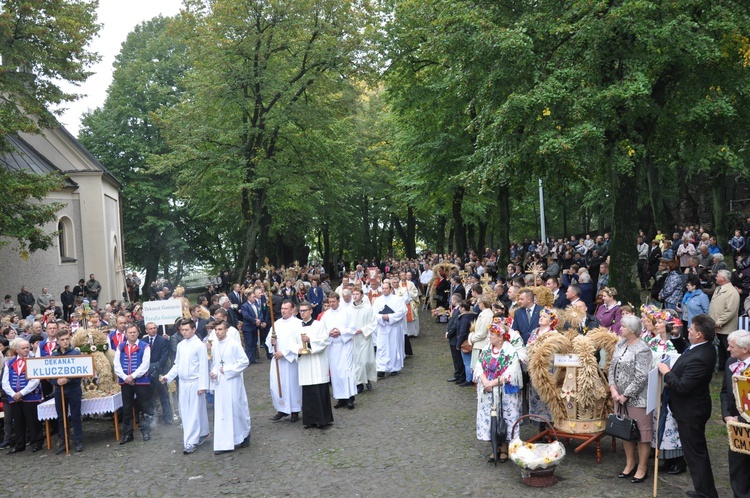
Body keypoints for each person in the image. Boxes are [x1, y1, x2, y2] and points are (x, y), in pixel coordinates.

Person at [657, 314, 718, 498]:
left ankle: (706, 493)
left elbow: (683, 386)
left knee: (696, 454)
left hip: (692, 411)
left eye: (691, 328)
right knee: (694, 453)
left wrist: (667, 373)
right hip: (688, 409)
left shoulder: (702, 356)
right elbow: (685, 355)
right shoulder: (697, 347)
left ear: (699, 334)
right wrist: (675, 336)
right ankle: (702, 489)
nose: (688, 329)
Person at [609, 315, 653, 483]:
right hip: (618, 397)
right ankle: (630, 463)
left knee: (641, 434)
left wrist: (626, 395)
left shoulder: (643, 349)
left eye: (623, 327)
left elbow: (641, 377)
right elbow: (612, 367)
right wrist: (613, 389)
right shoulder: (620, 344)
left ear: (633, 330)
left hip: (637, 399)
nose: (620, 329)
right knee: (624, 430)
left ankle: (642, 467)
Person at [475, 316, 524, 463]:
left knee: (505, 417)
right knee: (491, 418)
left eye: (492, 335)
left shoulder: (510, 351)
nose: (489, 337)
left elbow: (512, 372)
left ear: (500, 337)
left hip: (503, 391)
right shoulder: (486, 350)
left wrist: (493, 382)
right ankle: (494, 446)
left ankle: (505, 446)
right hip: (488, 390)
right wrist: (485, 382)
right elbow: (479, 366)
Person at [161, 319, 210, 455]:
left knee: (192, 412)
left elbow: (203, 367)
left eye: (187, 330)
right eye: (182, 330)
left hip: (195, 382)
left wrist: (202, 386)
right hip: (183, 382)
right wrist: (168, 376)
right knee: (187, 411)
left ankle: (190, 441)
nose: (184, 332)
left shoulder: (199, 345)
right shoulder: (181, 345)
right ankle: (204, 431)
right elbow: (177, 364)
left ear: (194, 330)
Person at [208, 320, 251, 454]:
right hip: (221, 384)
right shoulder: (215, 346)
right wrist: (214, 373)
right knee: (222, 412)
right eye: (216, 330)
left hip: (233, 382)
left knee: (236, 409)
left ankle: (244, 434)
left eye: (220, 329)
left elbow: (244, 362)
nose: (218, 332)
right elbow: (215, 363)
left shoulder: (233, 345)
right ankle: (224, 443)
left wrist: (227, 370)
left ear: (226, 330)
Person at [720, 329, 750, 498]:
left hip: (747, 421)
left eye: (732, 347)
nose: (728, 349)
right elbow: (724, 392)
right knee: (737, 467)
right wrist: (726, 415)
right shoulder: (731, 362)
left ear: (745, 349)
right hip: (735, 425)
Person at [114, 323, 154, 443]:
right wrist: (125, 377)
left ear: (138, 333)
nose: (132, 334)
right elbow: (116, 365)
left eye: (134, 332)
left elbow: (145, 365)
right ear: (126, 334)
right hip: (125, 381)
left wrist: (132, 376)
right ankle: (128, 434)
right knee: (126, 408)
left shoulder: (145, 346)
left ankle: (146, 431)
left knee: (144, 406)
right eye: (130, 332)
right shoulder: (120, 347)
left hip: (141, 381)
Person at [296, 302, 334, 429]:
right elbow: (292, 343)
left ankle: (322, 419)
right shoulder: (297, 327)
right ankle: (310, 420)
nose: (302, 313)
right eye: (300, 311)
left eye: (305, 310)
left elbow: (325, 341)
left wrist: (310, 342)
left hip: (317, 362)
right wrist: (298, 350)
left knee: (319, 390)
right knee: (308, 392)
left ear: (311, 311)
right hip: (305, 363)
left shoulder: (319, 325)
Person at [1, 339, 43, 453]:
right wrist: (13, 394)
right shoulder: (9, 363)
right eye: (23, 348)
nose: (26, 350)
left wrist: (21, 393)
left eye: (27, 348)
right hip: (14, 397)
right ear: (17, 350)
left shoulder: (33, 361)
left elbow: (35, 381)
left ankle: (36, 442)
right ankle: (20, 444)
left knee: (33, 421)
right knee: (18, 422)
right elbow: (5, 382)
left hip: (31, 397)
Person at [266, 300, 303, 421]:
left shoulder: (298, 324)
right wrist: (272, 342)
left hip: (290, 361)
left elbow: (298, 343)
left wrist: (284, 353)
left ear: (292, 310)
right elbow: (268, 341)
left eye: (286, 308)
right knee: (278, 384)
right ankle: (281, 409)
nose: (283, 311)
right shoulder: (276, 323)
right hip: (278, 360)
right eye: (282, 308)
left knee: (292, 385)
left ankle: (294, 411)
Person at [320, 293, 357, 409]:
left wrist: (340, 331)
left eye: (333, 302)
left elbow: (353, 328)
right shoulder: (326, 315)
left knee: (347, 371)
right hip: (332, 346)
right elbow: (321, 330)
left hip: (344, 345)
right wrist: (329, 333)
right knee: (335, 373)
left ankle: (350, 398)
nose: (331, 304)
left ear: (338, 301)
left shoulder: (347, 312)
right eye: (329, 302)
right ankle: (340, 398)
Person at [52, 330, 84, 453]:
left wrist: (68, 379)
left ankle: (78, 440)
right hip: (59, 391)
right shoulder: (54, 355)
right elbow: (49, 374)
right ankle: (64, 441)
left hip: (73, 389)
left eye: (67, 339)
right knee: (61, 417)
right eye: (62, 340)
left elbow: (81, 371)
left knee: (75, 416)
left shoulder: (76, 353)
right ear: (58, 341)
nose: (65, 342)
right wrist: (56, 382)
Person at [372, 281, 407, 377]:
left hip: (394, 328)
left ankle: (394, 367)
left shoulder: (397, 300)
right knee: (382, 347)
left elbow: (402, 311)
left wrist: (390, 317)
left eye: (386, 288)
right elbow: (374, 314)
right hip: (383, 327)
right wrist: (381, 317)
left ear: (390, 289)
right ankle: (381, 368)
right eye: (383, 288)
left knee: (393, 347)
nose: (384, 290)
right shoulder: (378, 300)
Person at [709, 269, 740, 371]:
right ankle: (722, 369)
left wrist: (718, 323)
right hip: (716, 327)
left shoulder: (732, 292)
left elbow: (730, 311)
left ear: (723, 278)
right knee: (720, 350)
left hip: (726, 329)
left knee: (728, 350)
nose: (715, 277)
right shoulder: (718, 289)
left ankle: (732, 369)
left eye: (717, 276)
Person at [143, 321, 172, 425]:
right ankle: (151, 417)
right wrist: (147, 368)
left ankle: (167, 417)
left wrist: (156, 367)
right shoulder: (143, 341)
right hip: (146, 373)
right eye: (150, 328)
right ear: (146, 330)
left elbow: (164, 356)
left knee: (164, 395)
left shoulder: (162, 340)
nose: (153, 330)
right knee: (149, 396)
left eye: (154, 328)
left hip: (159, 372)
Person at [349, 288, 377, 392]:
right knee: (356, 361)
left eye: (357, 294)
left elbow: (373, 323)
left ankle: (367, 379)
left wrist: (363, 330)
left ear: (361, 296)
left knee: (364, 361)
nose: (355, 296)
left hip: (365, 337)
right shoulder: (349, 309)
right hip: (354, 338)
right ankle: (359, 383)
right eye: (354, 294)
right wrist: (351, 331)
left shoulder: (368, 309)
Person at [241, 287, 268, 364]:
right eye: (253, 297)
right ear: (249, 298)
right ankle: (248, 360)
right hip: (248, 327)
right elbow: (246, 316)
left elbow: (260, 313)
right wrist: (254, 320)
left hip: (255, 327)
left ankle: (253, 358)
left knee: (254, 343)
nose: (255, 298)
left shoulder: (256, 304)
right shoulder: (244, 306)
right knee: (249, 344)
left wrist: (259, 319)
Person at [445, 293, 465, 384]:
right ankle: (458, 374)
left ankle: (459, 375)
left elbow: (455, 324)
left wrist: (449, 333)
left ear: (455, 301)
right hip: (452, 336)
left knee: (457, 358)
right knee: (455, 358)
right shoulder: (455, 310)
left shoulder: (458, 311)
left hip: (454, 337)